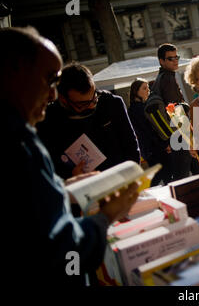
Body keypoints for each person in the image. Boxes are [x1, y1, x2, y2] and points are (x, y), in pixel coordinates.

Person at [1, 26, 139, 286]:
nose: (51, 94)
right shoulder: (20, 141)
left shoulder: (21, 133)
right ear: (15, 75)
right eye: (48, 79)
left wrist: (62, 189)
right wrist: (106, 216)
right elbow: (61, 247)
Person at [36, 62, 141, 180]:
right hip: (81, 188)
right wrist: (71, 177)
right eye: (83, 104)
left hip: (121, 180)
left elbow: (131, 146)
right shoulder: (48, 119)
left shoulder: (111, 103)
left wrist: (133, 176)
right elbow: (50, 166)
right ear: (63, 99)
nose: (91, 105)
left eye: (94, 97)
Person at [153, 43, 192, 181]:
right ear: (161, 61)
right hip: (179, 133)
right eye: (170, 58)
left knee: (187, 170)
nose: (175, 61)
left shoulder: (160, 78)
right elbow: (174, 109)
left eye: (177, 57)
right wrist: (188, 135)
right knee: (183, 175)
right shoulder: (167, 78)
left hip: (173, 133)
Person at [128, 78, 171, 185]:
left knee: (164, 175)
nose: (148, 90)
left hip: (150, 148)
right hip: (153, 148)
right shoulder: (138, 109)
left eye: (148, 88)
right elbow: (149, 130)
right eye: (144, 88)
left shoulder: (137, 108)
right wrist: (164, 144)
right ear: (135, 91)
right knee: (162, 175)